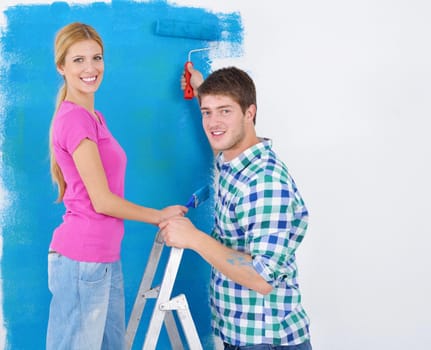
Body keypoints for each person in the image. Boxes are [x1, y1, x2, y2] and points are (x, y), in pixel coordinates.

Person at [47, 22, 186, 350]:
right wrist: (159, 216)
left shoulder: (94, 117)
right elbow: (103, 201)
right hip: (83, 261)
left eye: (97, 58)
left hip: (103, 258)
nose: (91, 68)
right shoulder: (75, 120)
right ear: (61, 67)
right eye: (78, 60)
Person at [160, 65, 312, 349]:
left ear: (249, 113)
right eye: (208, 112)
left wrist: (193, 238)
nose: (213, 122)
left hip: (266, 340)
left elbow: (261, 277)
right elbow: (219, 134)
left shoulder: (265, 183)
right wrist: (201, 88)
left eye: (225, 111)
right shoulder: (235, 160)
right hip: (240, 335)